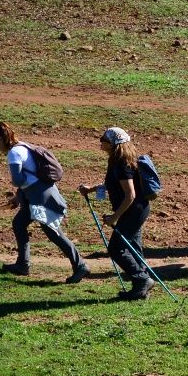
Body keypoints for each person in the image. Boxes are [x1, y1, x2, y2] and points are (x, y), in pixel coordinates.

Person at [0, 122, 89, 283]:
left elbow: (19, 180)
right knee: (19, 224)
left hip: (40, 197)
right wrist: (18, 197)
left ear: (0, 139)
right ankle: (23, 264)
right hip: (35, 194)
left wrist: (16, 185)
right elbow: (28, 180)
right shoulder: (23, 146)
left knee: (54, 233)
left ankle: (80, 265)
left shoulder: (13, 153)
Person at [77, 128, 153, 300]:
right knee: (133, 248)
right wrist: (93, 189)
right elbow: (114, 184)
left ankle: (142, 280)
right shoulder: (118, 161)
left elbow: (130, 195)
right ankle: (140, 290)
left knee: (117, 249)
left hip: (134, 210)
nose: (100, 141)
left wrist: (114, 217)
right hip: (136, 209)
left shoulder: (121, 165)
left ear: (112, 144)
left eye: (102, 139)